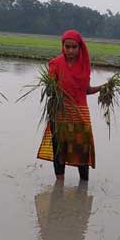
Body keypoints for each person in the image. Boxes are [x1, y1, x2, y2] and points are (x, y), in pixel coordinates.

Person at [36, 30, 103, 181]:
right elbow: (49, 91)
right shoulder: (55, 64)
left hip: (79, 114)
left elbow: (86, 90)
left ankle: (83, 182)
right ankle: (59, 186)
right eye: (67, 47)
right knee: (59, 150)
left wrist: (102, 88)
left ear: (80, 48)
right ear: (63, 46)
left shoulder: (84, 66)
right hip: (59, 113)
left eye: (74, 47)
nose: (70, 51)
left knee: (82, 152)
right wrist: (50, 87)